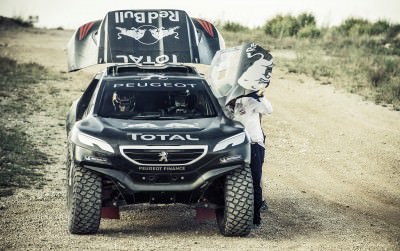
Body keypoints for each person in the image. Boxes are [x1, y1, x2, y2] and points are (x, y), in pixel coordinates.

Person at [230, 86, 272, 226]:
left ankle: (255, 218)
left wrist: (260, 97)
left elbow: (269, 110)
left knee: (255, 181)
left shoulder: (248, 100)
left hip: (254, 144)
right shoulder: (227, 107)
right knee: (236, 180)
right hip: (236, 146)